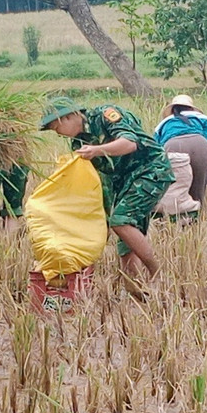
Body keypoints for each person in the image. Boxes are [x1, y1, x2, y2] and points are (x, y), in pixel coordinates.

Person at [40, 97, 174, 283]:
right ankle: (134, 288)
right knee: (124, 234)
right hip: (123, 182)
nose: (59, 134)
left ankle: (158, 274)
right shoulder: (78, 144)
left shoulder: (105, 116)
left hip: (150, 170)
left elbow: (130, 143)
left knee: (120, 221)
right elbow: (100, 180)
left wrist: (97, 150)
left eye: (57, 128)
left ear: (70, 116)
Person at [154, 94, 207, 204]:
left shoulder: (163, 123)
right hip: (200, 145)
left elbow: (156, 149)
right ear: (191, 108)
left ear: (172, 109)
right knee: (198, 191)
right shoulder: (201, 118)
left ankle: (174, 218)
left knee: (173, 188)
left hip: (173, 146)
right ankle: (195, 218)